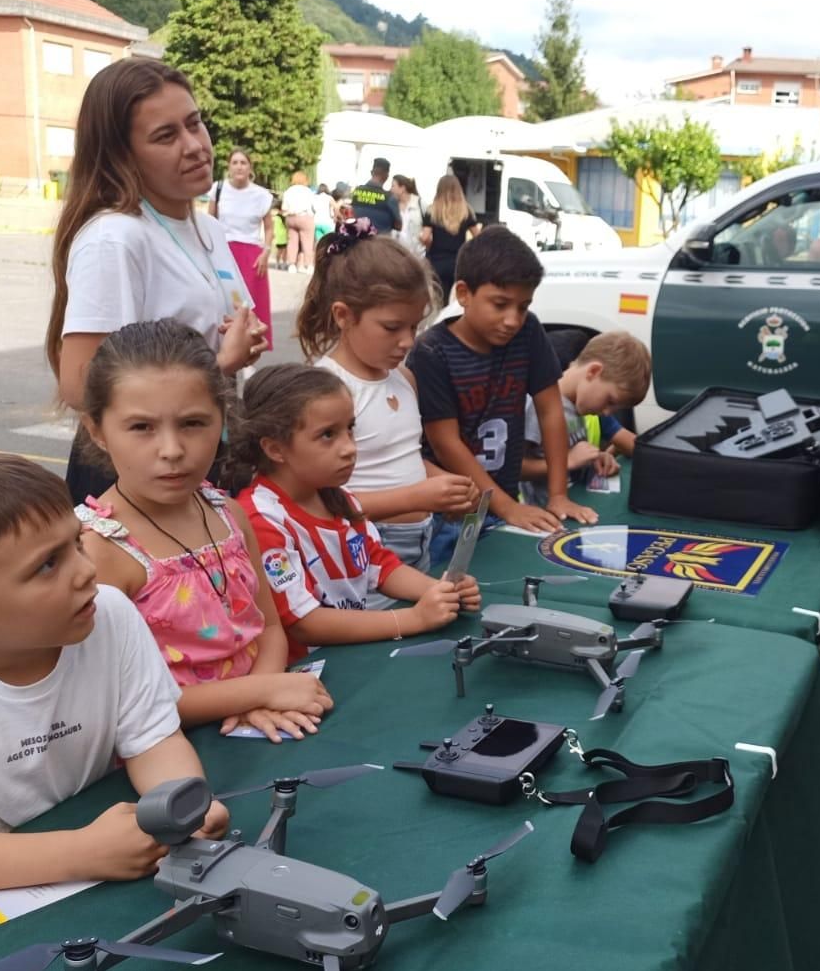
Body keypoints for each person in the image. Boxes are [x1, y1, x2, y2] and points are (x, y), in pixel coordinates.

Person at [0, 452, 230, 894]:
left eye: (76, 543)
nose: (87, 570)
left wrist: (181, 800)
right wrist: (81, 853)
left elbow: (153, 739)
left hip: (80, 872)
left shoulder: (109, 615)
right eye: (46, 565)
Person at [75, 320, 334, 743]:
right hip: (172, 757)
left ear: (224, 419)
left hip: (261, 723)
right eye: (141, 427)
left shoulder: (228, 512)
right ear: (97, 431)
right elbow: (123, 703)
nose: (172, 450)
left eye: (193, 423)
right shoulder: (98, 551)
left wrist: (260, 698)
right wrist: (260, 692)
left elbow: (268, 627)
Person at [46, 57, 266, 504]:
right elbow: (80, 385)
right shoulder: (116, 238)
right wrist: (220, 365)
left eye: (194, 123)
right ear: (122, 157)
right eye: (166, 136)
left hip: (199, 457)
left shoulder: (207, 227)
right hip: (134, 480)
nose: (195, 146)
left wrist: (240, 338)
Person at [234, 364, 481, 658]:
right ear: (275, 449)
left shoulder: (339, 498)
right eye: (328, 435)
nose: (349, 448)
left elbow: (379, 565)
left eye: (349, 429)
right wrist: (411, 619)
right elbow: (304, 623)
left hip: (347, 657)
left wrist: (441, 591)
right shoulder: (261, 519)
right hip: (302, 673)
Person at [295, 218, 478, 573]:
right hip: (362, 549)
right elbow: (314, 502)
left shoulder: (404, 378)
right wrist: (415, 497)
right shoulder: (326, 389)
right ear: (344, 315)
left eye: (414, 326)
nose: (408, 341)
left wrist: (441, 482)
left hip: (419, 541)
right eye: (392, 327)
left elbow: (397, 454)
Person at [408, 225, 599, 548]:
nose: (513, 319)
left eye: (523, 307)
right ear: (464, 293)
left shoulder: (528, 333)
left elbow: (551, 410)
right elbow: (446, 445)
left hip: (503, 503)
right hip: (448, 512)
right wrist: (506, 506)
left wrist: (557, 495)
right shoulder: (432, 351)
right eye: (500, 304)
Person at [520, 331, 651, 507]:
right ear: (594, 371)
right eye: (609, 401)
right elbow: (514, 469)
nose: (607, 412)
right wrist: (568, 461)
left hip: (576, 505)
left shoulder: (578, 405)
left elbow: (574, 454)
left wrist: (596, 458)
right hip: (544, 517)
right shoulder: (537, 404)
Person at [209, 149, 274, 350]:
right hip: (222, 252)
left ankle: (248, 350)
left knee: (248, 307)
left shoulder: (261, 195)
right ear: (229, 166)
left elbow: (270, 228)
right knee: (221, 303)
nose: (239, 166)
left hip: (251, 256)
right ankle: (220, 346)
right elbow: (209, 222)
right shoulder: (218, 189)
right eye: (235, 162)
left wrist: (266, 252)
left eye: (243, 163)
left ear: (250, 168)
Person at [420, 174, 482, 306]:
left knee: (437, 302)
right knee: (454, 303)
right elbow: (479, 237)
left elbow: (425, 237)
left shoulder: (432, 210)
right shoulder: (466, 211)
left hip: (436, 263)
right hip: (458, 263)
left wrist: (428, 246)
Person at [349, 158, 401, 237]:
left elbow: (351, 215)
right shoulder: (389, 198)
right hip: (379, 244)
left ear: (371, 172)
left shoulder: (357, 191)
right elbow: (398, 226)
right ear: (386, 175)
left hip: (357, 243)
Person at [280, 170, 316, 276]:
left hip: (291, 218)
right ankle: (308, 265)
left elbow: (284, 207)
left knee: (292, 242)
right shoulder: (308, 191)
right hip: (305, 217)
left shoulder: (288, 191)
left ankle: (292, 265)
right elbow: (314, 206)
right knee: (307, 242)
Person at [393, 175, 425, 256]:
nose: (391, 189)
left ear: (402, 188)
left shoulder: (420, 204)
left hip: (417, 257)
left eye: (393, 186)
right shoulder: (393, 205)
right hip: (397, 255)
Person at [312, 181, 337, 247]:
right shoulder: (329, 198)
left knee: (318, 242)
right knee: (329, 242)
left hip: (317, 222)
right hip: (327, 222)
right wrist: (335, 217)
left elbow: (312, 210)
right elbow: (336, 207)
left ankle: (318, 256)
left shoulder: (314, 197)